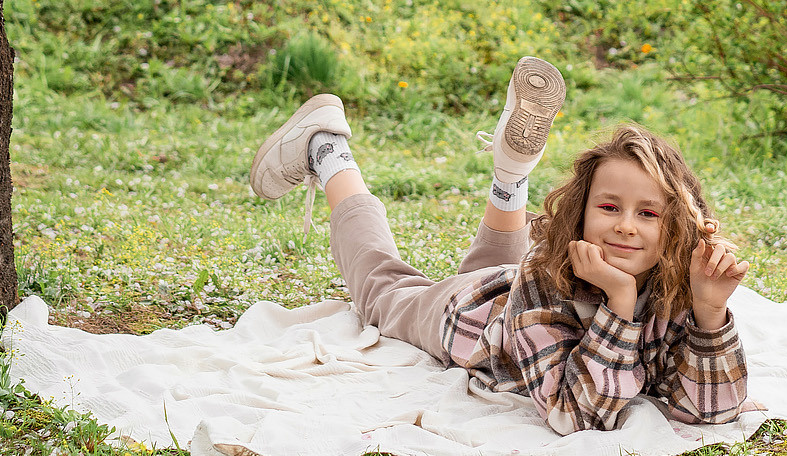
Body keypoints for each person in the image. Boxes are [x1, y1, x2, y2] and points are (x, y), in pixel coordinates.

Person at [248, 56, 753, 435]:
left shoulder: (678, 282)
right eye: (608, 207)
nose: (625, 226)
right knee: (381, 289)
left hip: (511, 292)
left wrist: (710, 312)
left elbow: (708, 409)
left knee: (500, 267)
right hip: (467, 315)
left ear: (677, 228)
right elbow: (574, 416)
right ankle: (328, 148)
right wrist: (620, 304)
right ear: (579, 214)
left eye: (648, 214)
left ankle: (512, 173)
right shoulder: (547, 276)